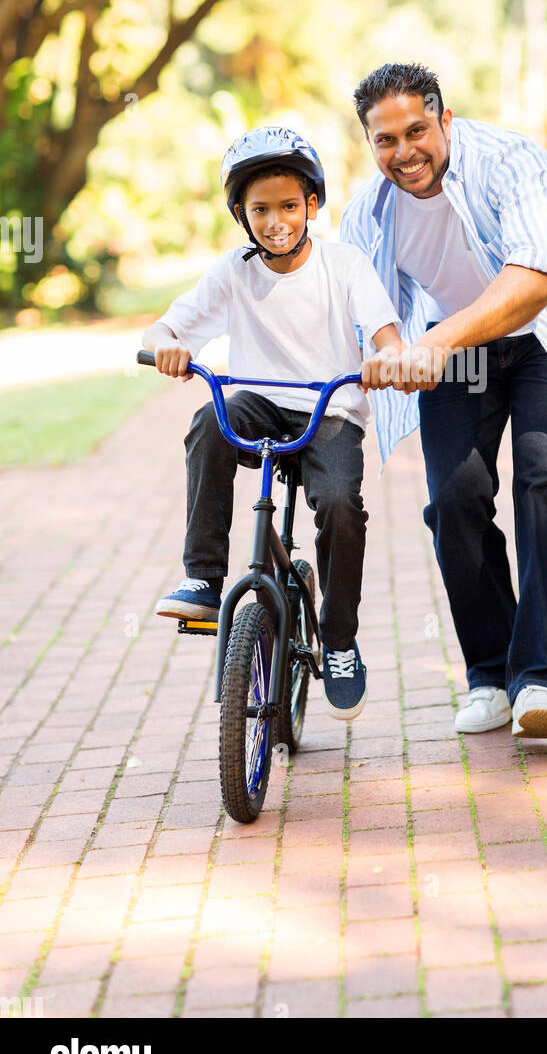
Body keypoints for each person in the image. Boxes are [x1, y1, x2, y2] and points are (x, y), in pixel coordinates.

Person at [340, 63, 547, 740]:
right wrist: (389, 350)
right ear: (369, 143)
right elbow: (369, 309)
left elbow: (537, 280)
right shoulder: (370, 213)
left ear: (445, 120)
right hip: (455, 355)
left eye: (417, 130)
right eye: (385, 140)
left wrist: (436, 343)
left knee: (546, 478)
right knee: (453, 502)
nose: (404, 151)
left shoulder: (514, 162)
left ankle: (540, 679)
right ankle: (489, 674)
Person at [141, 125, 403, 722]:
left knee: (338, 502)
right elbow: (164, 329)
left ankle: (338, 639)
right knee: (210, 420)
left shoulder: (344, 266)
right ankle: (204, 581)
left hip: (329, 407)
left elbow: (386, 334)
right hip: (258, 399)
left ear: (312, 205)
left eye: (289, 204)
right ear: (241, 214)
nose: (276, 220)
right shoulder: (234, 271)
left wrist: (388, 357)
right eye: (260, 209)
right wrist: (166, 347)